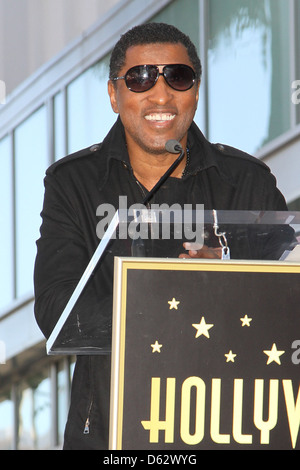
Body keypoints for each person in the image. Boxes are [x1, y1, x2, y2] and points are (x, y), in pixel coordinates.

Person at [34, 23, 292, 450]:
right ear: (114, 95)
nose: (160, 94)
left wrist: (223, 278)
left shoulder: (246, 181)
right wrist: (171, 294)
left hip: (225, 425)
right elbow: (54, 309)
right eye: (139, 78)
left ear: (195, 90)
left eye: (178, 76)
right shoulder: (73, 183)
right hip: (109, 432)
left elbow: (284, 301)